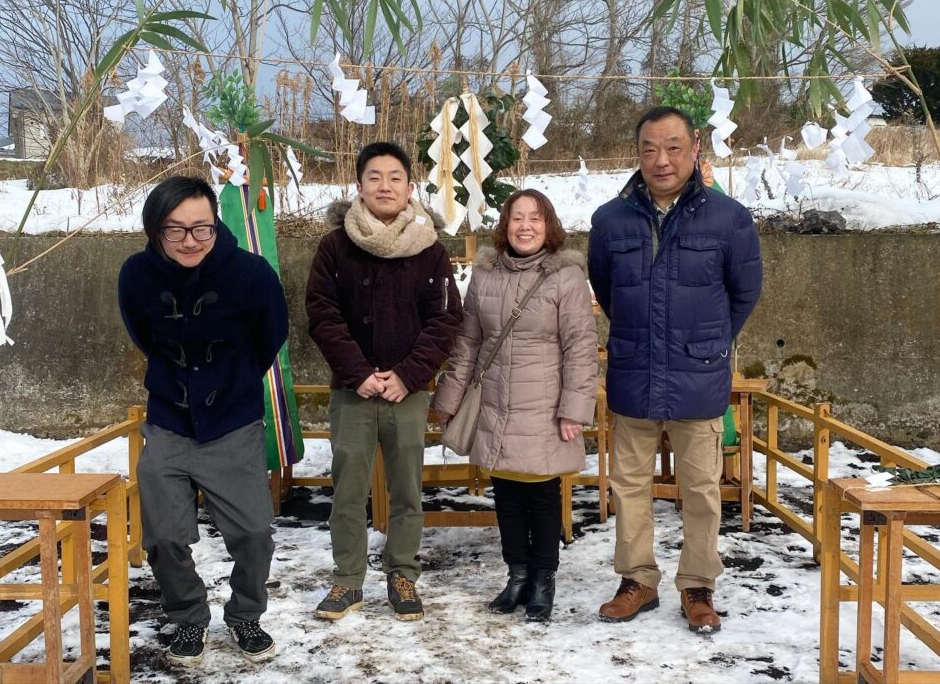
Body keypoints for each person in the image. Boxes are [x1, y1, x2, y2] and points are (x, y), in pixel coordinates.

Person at [588, 106, 762, 633]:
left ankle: (698, 585)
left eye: (672, 147)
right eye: (649, 149)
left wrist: (706, 342)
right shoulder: (609, 219)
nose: (660, 160)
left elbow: (744, 293)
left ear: (694, 150)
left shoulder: (728, 218)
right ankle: (637, 579)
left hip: (698, 375)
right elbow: (606, 289)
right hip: (634, 372)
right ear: (637, 153)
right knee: (630, 484)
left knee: (702, 488)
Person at [118, 175, 288, 666]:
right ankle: (188, 616)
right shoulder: (136, 275)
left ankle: (245, 614)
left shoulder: (251, 274)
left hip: (233, 422)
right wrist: (181, 385)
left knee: (255, 533)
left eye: (202, 228)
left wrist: (226, 382)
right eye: (175, 230)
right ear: (154, 231)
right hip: (169, 420)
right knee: (165, 536)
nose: (190, 241)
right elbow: (142, 332)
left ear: (216, 225)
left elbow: (270, 333)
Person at [306, 141, 462, 621]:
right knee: (348, 488)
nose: (385, 186)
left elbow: (445, 319)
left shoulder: (430, 250)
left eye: (395, 177)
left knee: (407, 488)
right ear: (359, 186)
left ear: (410, 187)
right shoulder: (335, 246)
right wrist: (359, 374)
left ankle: (402, 573)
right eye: (374, 177)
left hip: (406, 392)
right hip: (353, 390)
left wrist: (409, 374)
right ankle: (347, 579)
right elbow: (322, 314)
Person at [433, 190, 598, 622]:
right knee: (506, 494)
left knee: (542, 496)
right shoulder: (486, 275)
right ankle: (517, 575)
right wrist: (449, 399)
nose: (526, 226)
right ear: (505, 225)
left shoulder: (566, 277)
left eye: (536, 218)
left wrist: (573, 409)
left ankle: (543, 579)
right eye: (517, 218)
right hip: (495, 403)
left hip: (544, 404)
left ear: (549, 226)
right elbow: (468, 343)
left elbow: (581, 347)